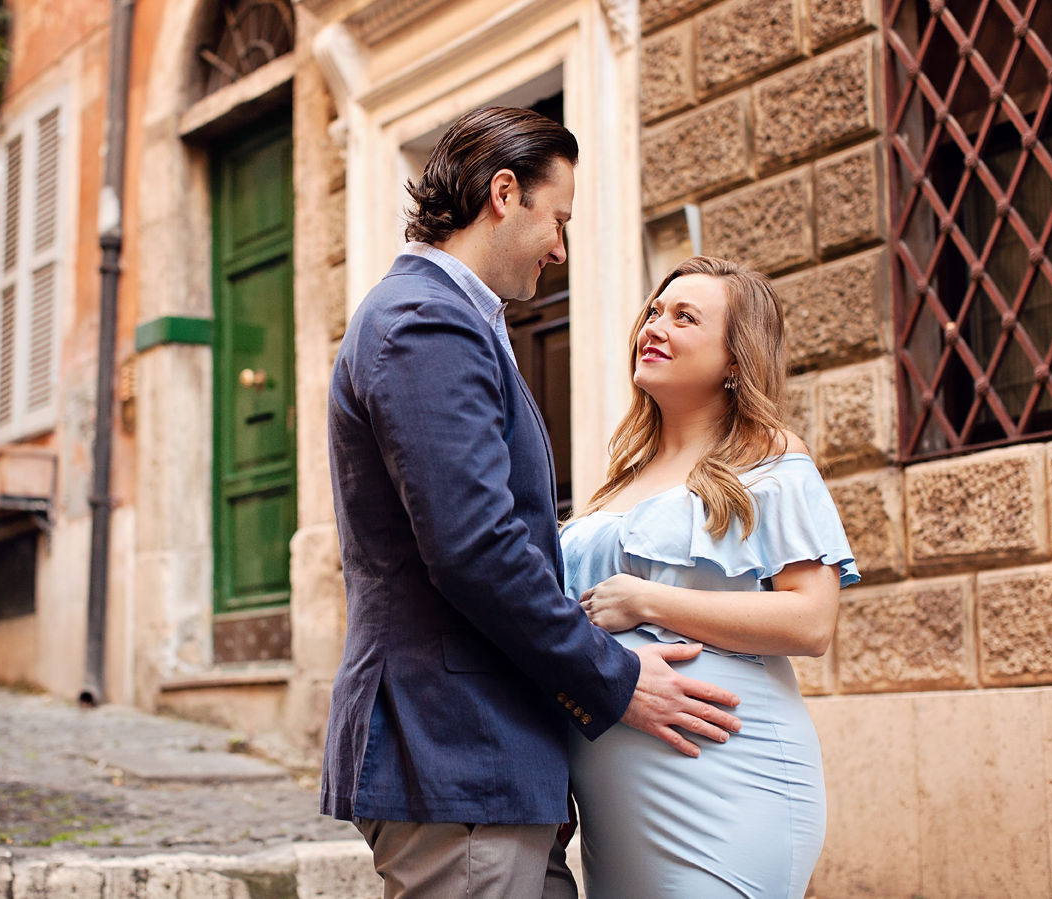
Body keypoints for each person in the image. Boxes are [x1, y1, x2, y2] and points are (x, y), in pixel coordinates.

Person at [321, 108, 745, 899]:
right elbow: (476, 546)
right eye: (559, 219)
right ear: (504, 194)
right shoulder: (424, 321)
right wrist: (612, 675)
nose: (560, 246)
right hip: (456, 752)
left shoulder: (452, 322)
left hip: (495, 765)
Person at [562, 256, 859, 899]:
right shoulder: (617, 480)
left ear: (734, 359)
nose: (654, 326)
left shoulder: (770, 459)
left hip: (731, 775)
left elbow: (811, 621)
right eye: (653, 312)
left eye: (684, 317)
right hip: (617, 806)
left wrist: (647, 599)